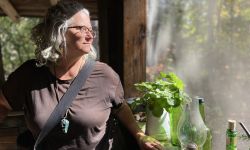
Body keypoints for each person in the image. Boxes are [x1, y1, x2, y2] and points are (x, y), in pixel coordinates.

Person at [0, 0, 163, 150]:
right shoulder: (29, 74)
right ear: (59, 30)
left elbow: (120, 108)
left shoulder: (105, 75)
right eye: (82, 28)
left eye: (91, 29)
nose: (90, 35)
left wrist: (140, 136)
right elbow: (3, 104)